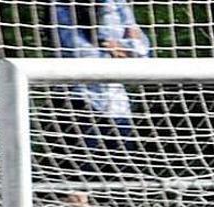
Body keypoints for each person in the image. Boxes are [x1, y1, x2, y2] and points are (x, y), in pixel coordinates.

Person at [54, 0, 150, 170]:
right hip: (78, 100)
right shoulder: (62, 8)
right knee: (80, 174)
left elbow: (142, 49)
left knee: (122, 171)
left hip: (117, 105)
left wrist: (122, 47)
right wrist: (113, 45)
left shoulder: (117, 5)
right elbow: (80, 53)